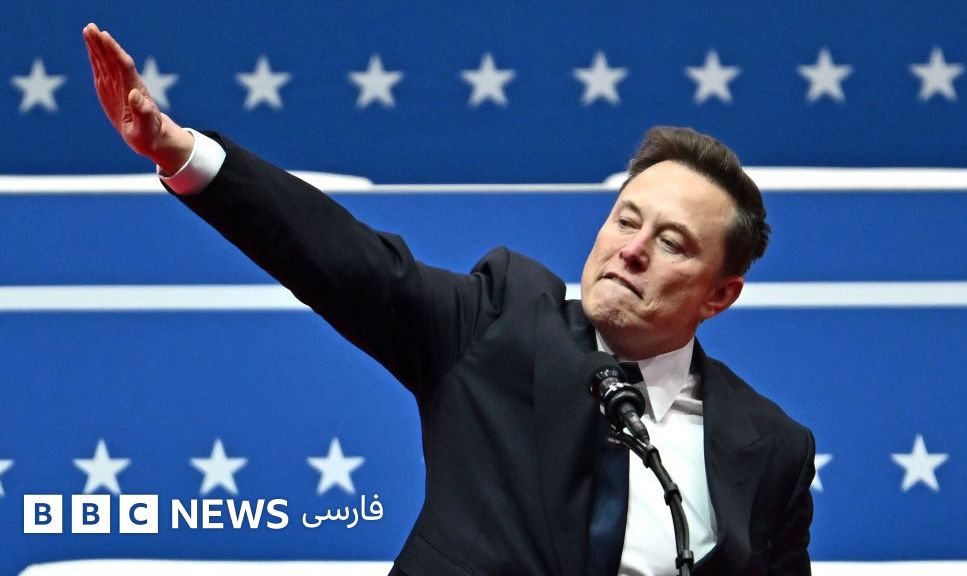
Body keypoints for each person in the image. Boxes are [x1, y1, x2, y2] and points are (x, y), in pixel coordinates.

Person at [83, 23, 815, 576]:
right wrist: (180, 152)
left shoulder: (771, 448)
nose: (633, 249)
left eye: (672, 242)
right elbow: (346, 261)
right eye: (626, 220)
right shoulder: (500, 324)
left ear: (720, 295)